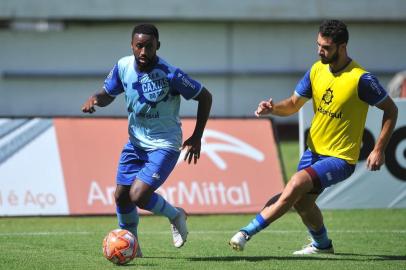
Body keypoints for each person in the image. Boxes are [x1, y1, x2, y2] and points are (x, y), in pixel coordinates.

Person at [229, 19, 398, 255]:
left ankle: (245, 233)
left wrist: (378, 149)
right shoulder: (316, 69)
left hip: (341, 158)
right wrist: (273, 108)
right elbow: (292, 105)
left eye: (326, 47)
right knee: (302, 202)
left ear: (342, 46)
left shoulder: (361, 79)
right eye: (318, 45)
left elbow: (391, 110)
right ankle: (322, 245)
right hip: (313, 151)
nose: (320, 50)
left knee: (296, 185)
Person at [82, 23, 212, 256]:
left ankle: (176, 215)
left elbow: (205, 96)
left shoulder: (171, 74)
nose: (143, 52)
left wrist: (197, 136)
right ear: (132, 45)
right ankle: (132, 244)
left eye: (149, 47)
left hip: (165, 144)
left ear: (157, 47)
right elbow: (108, 94)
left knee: (138, 195)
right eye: (139, 46)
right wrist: (95, 98)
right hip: (135, 143)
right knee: (121, 196)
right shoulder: (123, 66)